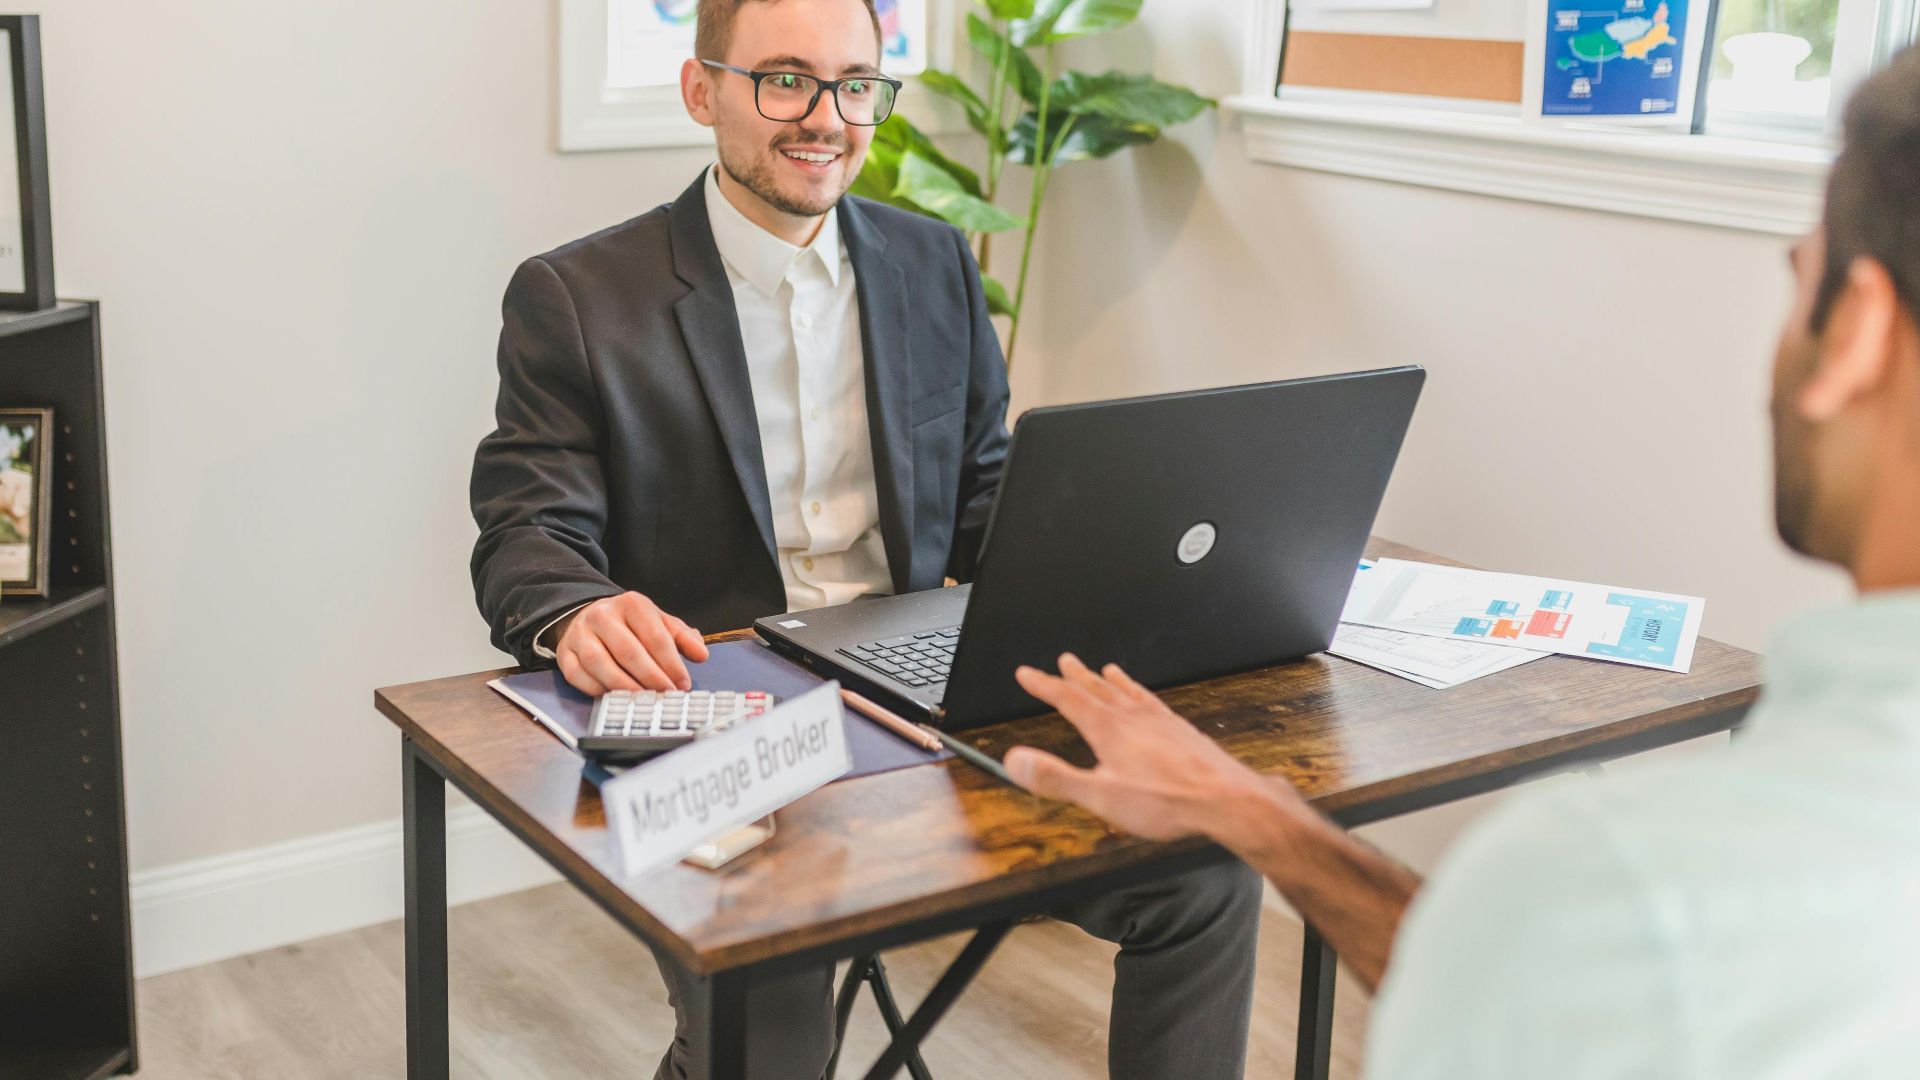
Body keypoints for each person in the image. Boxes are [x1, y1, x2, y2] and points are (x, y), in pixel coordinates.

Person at [1005, 46, 1920, 1078]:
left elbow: (1522, 969)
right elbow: (1509, 983)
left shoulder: (1614, 883)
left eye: (1797, 288)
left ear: (1859, 332)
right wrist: (1255, 813)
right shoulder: (1640, 917)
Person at [468, 1, 1262, 1076]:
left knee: (1205, 869)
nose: (827, 118)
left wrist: (1124, 554)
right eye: (785, 79)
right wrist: (578, 608)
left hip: (921, 704)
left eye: (854, 84)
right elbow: (527, 530)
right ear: (704, 89)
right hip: (725, 718)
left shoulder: (936, 264)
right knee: (773, 985)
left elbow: (986, 502)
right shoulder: (577, 297)